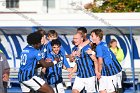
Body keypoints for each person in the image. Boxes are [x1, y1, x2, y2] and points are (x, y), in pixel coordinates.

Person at [89, 29, 122, 93]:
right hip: (108, 70)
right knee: (102, 90)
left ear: (97, 37)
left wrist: (98, 72)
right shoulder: (104, 44)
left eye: (92, 36)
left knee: (111, 91)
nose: (91, 37)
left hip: (109, 71)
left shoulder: (99, 47)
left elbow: (100, 61)